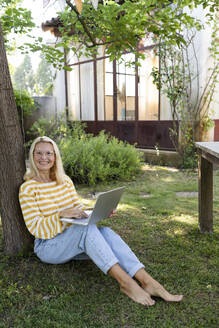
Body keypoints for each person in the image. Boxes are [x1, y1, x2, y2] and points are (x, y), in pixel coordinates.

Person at [19, 136, 183, 306]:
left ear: (55, 157)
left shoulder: (65, 181)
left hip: (73, 240)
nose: (43, 158)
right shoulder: (28, 189)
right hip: (49, 247)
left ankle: (148, 281)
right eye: (38, 153)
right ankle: (126, 284)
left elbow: (78, 210)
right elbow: (35, 228)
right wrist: (61, 215)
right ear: (32, 156)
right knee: (85, 230)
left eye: (48, 153)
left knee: (106, 232)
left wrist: (99, 212)